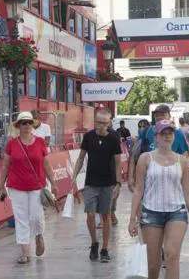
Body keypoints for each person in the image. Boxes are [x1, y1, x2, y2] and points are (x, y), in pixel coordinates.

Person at [129, 120, 189, 279]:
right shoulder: (145, 159)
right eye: (164, 133)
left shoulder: (182, 161)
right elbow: (139, 189)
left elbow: (188, 192)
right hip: (151, 213)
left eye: (170, 133)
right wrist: (132, 217)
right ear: (156, 137)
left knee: (172, 256)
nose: (167, 137)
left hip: (177, 213)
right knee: (153, 265)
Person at [0, 112, 58, 264]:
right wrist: (1, 187)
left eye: (29, 123)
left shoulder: (40, 142)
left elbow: (46, 164)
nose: (26, 126)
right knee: (21, 219)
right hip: (16, 186)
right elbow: (5, 166)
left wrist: (54, 183)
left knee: (36, 216)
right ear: (18, 126)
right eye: (23, 123)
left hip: (36, 186)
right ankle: (25, 253)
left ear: (32, 125)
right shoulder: (12, 144)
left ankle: (39, 236)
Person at [71, 109, 122, 263]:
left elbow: (118, 162)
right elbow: (81, 158)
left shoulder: (114, 138)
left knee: (105, 215)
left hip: (108, 183)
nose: (101, 126)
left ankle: (105, 248)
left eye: (104, 123)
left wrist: (118, 183)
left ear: (109, 123)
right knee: (90, 214)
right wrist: (74, 176)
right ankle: (94, 242)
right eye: (99, 122)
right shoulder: (89, 137)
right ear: (95, 122)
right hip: (91, 182)